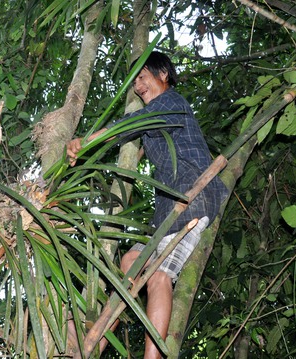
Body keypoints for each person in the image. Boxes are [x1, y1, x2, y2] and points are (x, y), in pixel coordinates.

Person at [66, 51, 228, 358]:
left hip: (191, 194)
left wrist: (86, 141)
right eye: (135, 82)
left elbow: (134, 122)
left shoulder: (170, 101)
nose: (139, 86)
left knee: (158, 276)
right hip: (172, 203)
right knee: (130, 262)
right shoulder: (164, 115)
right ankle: (93, 344)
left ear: (163, 75)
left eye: (143, 77)